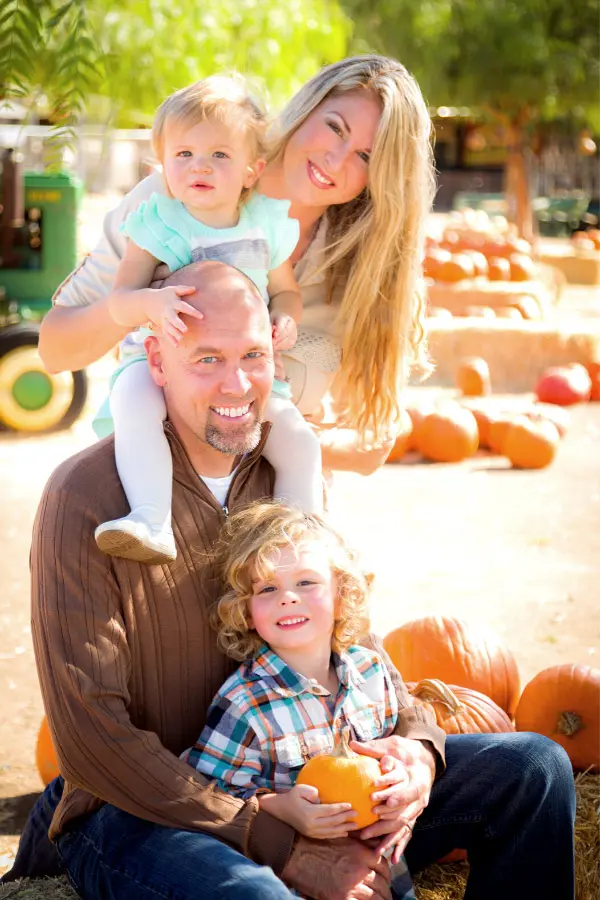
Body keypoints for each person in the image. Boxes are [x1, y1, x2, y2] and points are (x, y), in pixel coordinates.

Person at [3, 262, 577, 900]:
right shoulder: (86, 496)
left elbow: (350, 640)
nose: (237, 382)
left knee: (535, 767)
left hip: (314, 781)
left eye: (253, 354)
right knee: (258, 896)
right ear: (156, 362)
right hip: (143, 812)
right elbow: (90, 738)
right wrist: (277, 842)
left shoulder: (289, 474)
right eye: (206, 358)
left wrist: (418, 745)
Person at [38, 55, 437, 479]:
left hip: (276, 518)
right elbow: (54, 350)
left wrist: (259, 431)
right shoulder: (174, 198)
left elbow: (371, 446)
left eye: (365, 156)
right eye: (335, 127)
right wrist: (143, 304)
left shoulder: (360, 268)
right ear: (306, 109)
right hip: (160, 494)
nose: (336, 159)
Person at [93, 74, 322, 565]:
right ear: (163, 164)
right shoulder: (159, 223)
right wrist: (151, 304)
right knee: (134, 405)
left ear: (251, 170)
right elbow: (120, 300)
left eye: (219, 155)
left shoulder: (264, 225)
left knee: (297, 439)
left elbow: (285, 290)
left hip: (242, 370)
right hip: (163, 362)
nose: (200, 166)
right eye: (184, 155)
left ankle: (301, 535)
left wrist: (284, 317)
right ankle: (151, 518)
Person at [184, 501, 416, 898]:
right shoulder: (245, 702)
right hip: (298, 870)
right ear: (246, 610)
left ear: (343, 595)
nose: (288, 597)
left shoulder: (371, 674)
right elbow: (208, 794)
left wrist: (399, 778)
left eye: (307, 582)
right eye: (268, 588)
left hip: (384, 857)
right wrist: (278, 805)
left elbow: (393, 745)